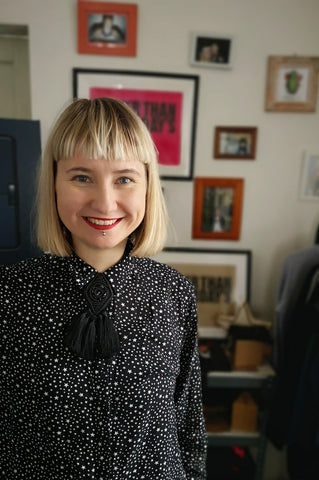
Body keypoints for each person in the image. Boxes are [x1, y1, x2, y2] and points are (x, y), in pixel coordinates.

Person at [0, 97, 207, 479]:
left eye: (124, 178)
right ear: (54, 183)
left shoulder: (173, 293)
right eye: (81, 177)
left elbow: (188, 423)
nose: (105, 201)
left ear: (147, 187)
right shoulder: (10, 293)